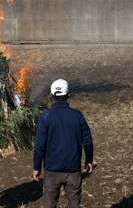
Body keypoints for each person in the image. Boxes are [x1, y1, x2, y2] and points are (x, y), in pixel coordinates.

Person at [32, 79, 94, 208]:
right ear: (68, 95)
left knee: (49, 205)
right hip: (73, 170)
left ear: (51, 95)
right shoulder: (78, 116)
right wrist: (89, 160)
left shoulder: (45, 117)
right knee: (74, 204)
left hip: (52, 171)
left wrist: (37, 167)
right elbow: (87, 141)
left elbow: (39, 146)